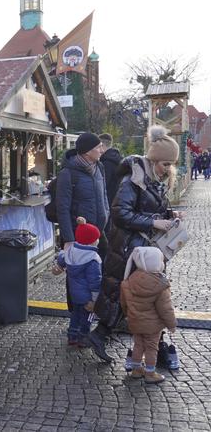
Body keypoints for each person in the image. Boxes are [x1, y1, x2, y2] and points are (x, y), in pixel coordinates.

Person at [88, 125, 183, 362]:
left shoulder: (153, 180)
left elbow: (152, 209)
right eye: (165, 164)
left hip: (143, 249)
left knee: (146, 295)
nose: (168, 169)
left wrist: (171, 216)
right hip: (128, 248)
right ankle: (103, 335)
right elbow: (120, 214)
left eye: (171, 165)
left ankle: (152, 346)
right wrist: (155, 223)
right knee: (130, 295)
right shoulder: (134, 180)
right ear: (154, 160)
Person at [120, 246, 176, 384]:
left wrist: (128, 315)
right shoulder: (160, 285)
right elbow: (166, 309)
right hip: (152, 325)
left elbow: (124, 303)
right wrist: (172, 325)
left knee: (138, 345)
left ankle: (136, 370)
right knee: (151, 347)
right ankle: (150, 372)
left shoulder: (129, 280)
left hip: (134, 321)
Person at [56, 132, 110, 259]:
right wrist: (69, 239)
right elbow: (62, 208)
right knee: (79, 275)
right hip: (79, 235)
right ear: (87, 152)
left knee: (101, 273)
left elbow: (104, 194)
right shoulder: (68, 173)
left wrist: (106, 215)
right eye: (98, 147)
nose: (102, 150)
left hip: (99, 233)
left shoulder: (99, 167)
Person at [54, 217, 102, 347]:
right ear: (92, 242)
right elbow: (95, 282)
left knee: (75, 315)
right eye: (96, 238)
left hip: (74, 294)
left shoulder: (70, 251)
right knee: (88, 317)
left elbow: (61, 257)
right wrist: (95, 300)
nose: (98, 240)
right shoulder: (92, 260)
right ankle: (83, 338)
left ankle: (72, 336)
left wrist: (58, 265)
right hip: (87, 296)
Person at [99, 133, 122, 207]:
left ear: (102, 145)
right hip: (118, 200)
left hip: (108, 201)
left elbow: (104, 184)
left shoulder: (106, 162)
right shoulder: (118, 158)